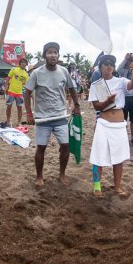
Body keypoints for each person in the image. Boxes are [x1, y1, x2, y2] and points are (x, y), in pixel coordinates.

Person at [24, 42, 81, 188]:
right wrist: (29, 114)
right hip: (43, 118)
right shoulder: (36, 73)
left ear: (58, 55)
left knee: (65, 146)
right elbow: (27, 92)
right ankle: (39, 176)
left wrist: (77, 105)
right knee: (41, 148)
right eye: (49, 52)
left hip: (60, 117)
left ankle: (62, 174)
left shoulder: (64, 71)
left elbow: (72, 88)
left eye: (55, 52)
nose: (53, 55)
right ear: (44, 56)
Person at [88, 55, 133, 197]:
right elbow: (97, 106)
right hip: (103, 123)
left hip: (120, 125)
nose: (109, 66)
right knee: (98, 156)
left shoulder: (121, 81)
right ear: (100, 67)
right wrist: (107, 101)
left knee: (119, 157)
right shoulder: (96, 85)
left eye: (111, 64)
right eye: (105, 63)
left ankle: (117, 186)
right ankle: (97, 186)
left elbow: (132, 85)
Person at [4, 58, 29, 127]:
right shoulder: (14, 69)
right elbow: (8, 78)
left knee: (20, 108)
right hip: (11, 91)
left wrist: (28, 92)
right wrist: (5, 87)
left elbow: (27, 84)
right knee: (9, 107)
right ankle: (8, 121)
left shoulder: (26, 74)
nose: (24, 64)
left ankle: (19, 122)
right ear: (20, 63)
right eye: (23, 62)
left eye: (25, 63)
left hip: (19, 93)